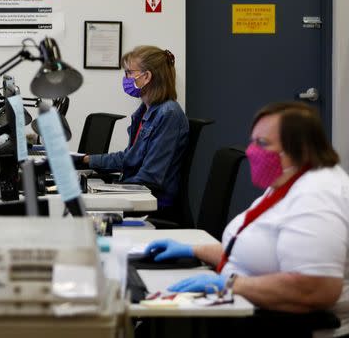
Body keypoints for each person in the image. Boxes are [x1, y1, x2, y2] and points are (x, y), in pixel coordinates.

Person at [146, 102, 349, 336]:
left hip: (286, 327)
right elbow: (256, 253)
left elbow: (317, 289)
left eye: (262, 143)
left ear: (301, 149)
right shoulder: (288, 181)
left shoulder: (319, 196)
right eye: (253, 141)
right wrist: (193, 250)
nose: (251, 151)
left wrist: (230, 284)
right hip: (248, 312)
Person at [82, 46, 189, 208]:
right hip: (137, 191)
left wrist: (108, 191)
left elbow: (150, 177)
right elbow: (130, 157)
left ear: (146, 77)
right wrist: (87, 160)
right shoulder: (144, 112)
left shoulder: (169, 114)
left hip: (153, 200)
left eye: (129, 73)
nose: (126, 78)